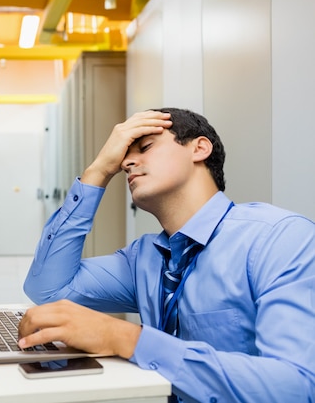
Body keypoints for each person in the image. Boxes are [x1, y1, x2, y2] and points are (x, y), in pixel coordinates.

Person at [18, 108, 315, 402]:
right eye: (122, 158)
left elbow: (297, 388)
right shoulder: (144, 258)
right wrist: (98, 170)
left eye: (145, 147)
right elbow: (47, 288)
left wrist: (126, 338)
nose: (127, 163)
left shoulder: (279, 239)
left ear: (199, 149)